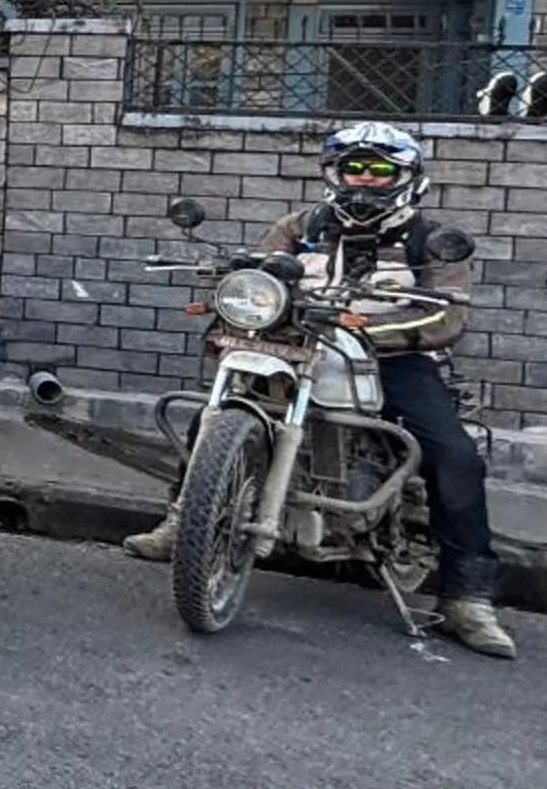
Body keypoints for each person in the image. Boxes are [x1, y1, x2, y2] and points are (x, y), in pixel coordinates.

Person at [124, 122, 514, 658]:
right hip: (300, 347)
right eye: (354, 167)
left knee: (455, 456)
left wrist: (365, 329)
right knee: (211, 418)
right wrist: (240, 276)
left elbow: (445, 317)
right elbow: (263, 272)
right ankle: (184, 522)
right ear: (334, 173)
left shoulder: (432, 241)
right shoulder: (301, 226)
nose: (365, 178)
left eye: (380, 170)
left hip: (393, 360)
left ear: (406, 177)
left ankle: (467, 597)